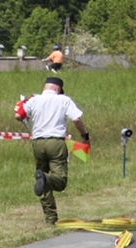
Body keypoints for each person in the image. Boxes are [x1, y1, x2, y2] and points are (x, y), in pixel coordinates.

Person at [14, 76, 89, 226]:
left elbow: (18, 116)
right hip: (56, 142)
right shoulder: (63, 100)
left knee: (42, 183)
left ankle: (50, 219)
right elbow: (77, 120)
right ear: (58, 88)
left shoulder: (34, 100)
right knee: (60, 181)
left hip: (37, 143)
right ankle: (46, 179)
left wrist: (23, 105)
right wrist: (84, 136)